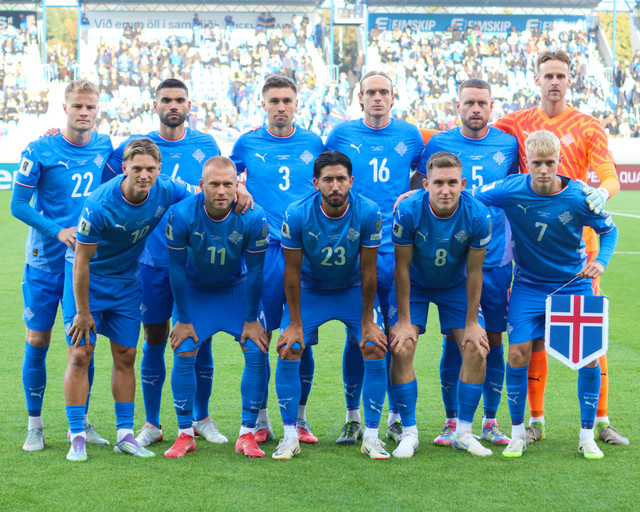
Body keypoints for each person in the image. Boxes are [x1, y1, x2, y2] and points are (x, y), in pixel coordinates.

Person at [493, 50, 626, 445]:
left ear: (570, 80)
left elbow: (608, 175)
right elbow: (473, 134)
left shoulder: (587, 126)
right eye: (548, 75)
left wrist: (601, 193)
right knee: (529, 340)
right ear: (537, 79)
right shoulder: (515, 122)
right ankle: (535, 421)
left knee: (589, 337)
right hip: (532, 250)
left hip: (579, 254)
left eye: (561, 75)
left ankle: (600, 421)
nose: (554, 81)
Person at [475, 130, 619, 459]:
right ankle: (517, 434)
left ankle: (586, 436)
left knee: (589, 356)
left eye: (550, 163)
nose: (543, 170)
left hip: (573, 285)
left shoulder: (579, 196)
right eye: (536, 163)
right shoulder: (511, 189)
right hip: (528, 285)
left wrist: (600, 262)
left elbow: (610, 231)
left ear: (559, 161)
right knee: (517, 353)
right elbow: (472, 197)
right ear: (526, 161)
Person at [106, 78, 233, 448]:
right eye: (166, 99)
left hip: (197, 262)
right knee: (155, 338)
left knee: (200, 338)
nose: (173, 105)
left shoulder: (206, 144)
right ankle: (152, 423)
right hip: (152, 261)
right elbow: (108, 180)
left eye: (179, 99)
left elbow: (219, 188)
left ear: (189, 105)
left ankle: (201, 417)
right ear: (155, 104)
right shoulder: (137, 146)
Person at [62, 138, 194, 462]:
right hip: (88, 281)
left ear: (159, 169)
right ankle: (76, 435)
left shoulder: (166, 188)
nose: (144, 175)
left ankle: (125, 435)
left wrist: (239, 192)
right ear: (124, 168)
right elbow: (81, 262)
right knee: (80, 353)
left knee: (126, 354)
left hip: (126, 283)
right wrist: (82, 312)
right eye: (137, 168)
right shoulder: (99, 204)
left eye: (150, 169)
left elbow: (202, 194)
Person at [10, 78, 113, 452]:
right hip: (44, 262)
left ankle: (80, 423)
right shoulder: (39, 148)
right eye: (77, 106)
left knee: (84, 343)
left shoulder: (105, 146)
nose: (84, 112)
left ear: (97, 110)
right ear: (65, 108)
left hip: (84, 265)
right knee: (37, 340)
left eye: (90, 107)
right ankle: (34, 426)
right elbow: (17, 205)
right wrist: (58, 231)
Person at [417, 79, 518, 446]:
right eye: (469, 103)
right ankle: (452, 420)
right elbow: (421, 185)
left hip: (496, 259)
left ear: (491, 106)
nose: (476, 109)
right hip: (455, 261)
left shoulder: (508, 145)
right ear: (457, 106)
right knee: (455, 338)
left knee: (493, 338)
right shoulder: (439, 143)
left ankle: (490, 420)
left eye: (482, 103)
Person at [325, 70, 424, 445]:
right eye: (371, 92)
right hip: (356, 248)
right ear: (360, 98)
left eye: (384, 92)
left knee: (399, 337)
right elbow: (328, 179)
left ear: (393, 97)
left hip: (397, 249)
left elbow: (422, 177)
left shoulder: (410, 135)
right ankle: (353, 417)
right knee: (358, 336)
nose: (378, 98)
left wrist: (410, 197)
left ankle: (397, 418)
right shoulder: (341, 135)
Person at [273, 150, 388, 460]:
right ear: (316, 183)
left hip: (352, 289)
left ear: (351, 181)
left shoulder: (369, 211)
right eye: (327, 180)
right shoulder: (297, 213)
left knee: (374, 346)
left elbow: (368, 270)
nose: (335, 186)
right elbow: (292, 272)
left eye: (341, 179)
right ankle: (289, 436)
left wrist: (368, 322)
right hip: (311, 289)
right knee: (289, 347)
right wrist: (294, 324)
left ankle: (372, 436)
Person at [230, 74, 325, 445]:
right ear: (263, 104)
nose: (281, 107)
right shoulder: (247, 142)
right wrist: (238, 187)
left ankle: (300, 419)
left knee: (302, 337)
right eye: (274, 101)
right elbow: (225, 175)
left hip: (303, 251)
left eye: (287, 100)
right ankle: (260, 419)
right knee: (259, 338)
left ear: (297, 104)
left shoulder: (313, 142)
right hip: (263, 251)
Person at [163, 157, 270, 458]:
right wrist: (183, 318)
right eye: (214, 184)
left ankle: (247, 433)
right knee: (184, 351)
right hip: (196, 291)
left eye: (227, 184)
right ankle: (185, 434)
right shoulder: (181, 214)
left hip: (237, 289)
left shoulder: (254, 216)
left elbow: (257, 271)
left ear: (238, 185)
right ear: (201, 185)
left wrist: (252, 318)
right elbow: (176, 269)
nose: (221, 191)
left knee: (256, 351)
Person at [389, 152, 493, 458]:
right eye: (438, 183)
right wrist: (404, 322)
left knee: (477, 347)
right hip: (416, 285)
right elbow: (401, 267)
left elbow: (475, 271)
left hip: (456, 286)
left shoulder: (478, 215)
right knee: (402, 346)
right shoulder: (408, 210)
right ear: (426, 184)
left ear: (463, 184)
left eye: (452, 183)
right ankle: (409, 432)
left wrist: (472, 324)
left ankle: (463, 432)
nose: (445, 190)